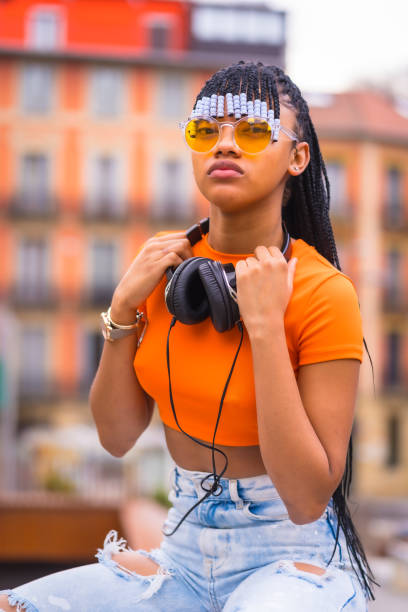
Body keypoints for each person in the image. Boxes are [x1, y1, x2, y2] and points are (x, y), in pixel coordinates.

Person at [0, 60, 379, 611]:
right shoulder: (168, 272)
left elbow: (304, 497)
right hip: (181, 548)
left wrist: (267, 328)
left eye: (252, 130)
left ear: (298, 157)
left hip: (289, 556)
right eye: (207, 130)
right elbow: (116, 436)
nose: (225, 145)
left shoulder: (323, 292)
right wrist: (122, 307)